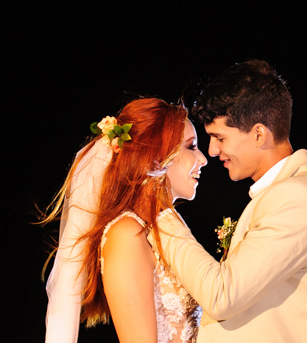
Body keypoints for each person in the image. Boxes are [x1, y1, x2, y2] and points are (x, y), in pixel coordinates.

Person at [156, 60, 307, 342]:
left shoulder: (298, 198)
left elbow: (222, 296)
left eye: (219, 138)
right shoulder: (287, 193)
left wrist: (160, 214)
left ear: (259, 134)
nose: (212, 151)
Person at [42, 97, 208, 343]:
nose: (203, 159)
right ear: (156, 155)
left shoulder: (165, 226)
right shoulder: (126, 235)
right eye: (191, 146)